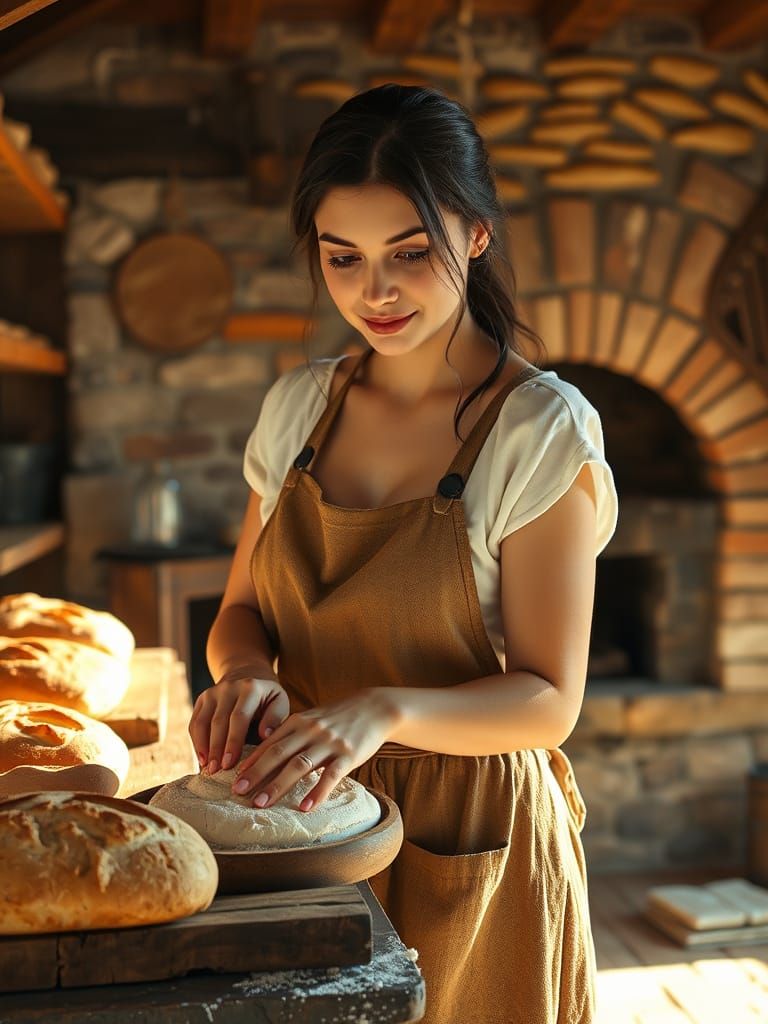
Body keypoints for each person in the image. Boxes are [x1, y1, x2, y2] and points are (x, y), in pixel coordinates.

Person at [190, 84, 618, 1024]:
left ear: (475, 235)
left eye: (409, 253)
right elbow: (240, 612)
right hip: (303, 822)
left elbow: (550, 701)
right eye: (343, 258)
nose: (372, 292)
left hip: (469, 834)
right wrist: (247, 676)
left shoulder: (541, 431)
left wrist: (380, 711)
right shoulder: (299, 409)